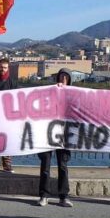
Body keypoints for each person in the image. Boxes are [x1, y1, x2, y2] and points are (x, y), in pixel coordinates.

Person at [37, 68, 74, 208]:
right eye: (61, 76)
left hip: (64, 134)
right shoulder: (50, 91)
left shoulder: (74, 94)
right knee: (45, 165)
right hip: (48, 132)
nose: (63, 79)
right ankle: (44, 195)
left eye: (66, 77)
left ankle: (64, 196)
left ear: (70, 80)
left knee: (63, 165)